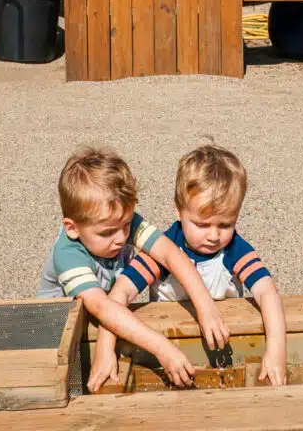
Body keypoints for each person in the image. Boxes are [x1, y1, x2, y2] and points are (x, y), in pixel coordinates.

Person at [37, 146, 229, 392]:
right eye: (107, 232)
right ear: (72, 228)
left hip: (103, 318)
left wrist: (205, 306)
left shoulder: (116, 219)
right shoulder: (68, 254)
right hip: (57, 332)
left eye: (127, 225)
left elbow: (170, 253)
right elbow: (101, 307)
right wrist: (163, 348)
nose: (120, 238)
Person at [107, 144, 287, 387]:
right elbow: (121, 292)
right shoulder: (165, 248)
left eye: (225, 224)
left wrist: (276, 352)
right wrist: (106, 349)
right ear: (179, 211)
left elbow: (267, 292)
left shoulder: (234, 248)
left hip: (226, 346)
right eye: (202, 225)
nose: (214, 235)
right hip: (170, 349)